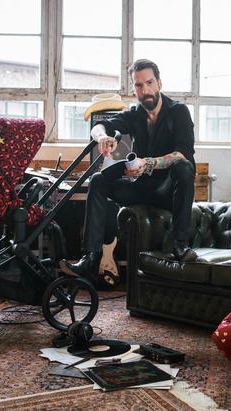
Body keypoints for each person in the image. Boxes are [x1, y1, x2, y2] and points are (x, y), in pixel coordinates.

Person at [62, 59, 197, 287]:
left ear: (159, 83)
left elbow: (183, 154)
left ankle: (179, 245)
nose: (145, 90)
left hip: (167, 191)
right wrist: (102, 137)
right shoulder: (134, 113)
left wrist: (148, 163)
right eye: (139, 85)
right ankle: (91, 257)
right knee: (98, 180)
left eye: (149, 83)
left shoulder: (179, 112)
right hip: (141, 187)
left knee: (185, 168)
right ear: (134, 89)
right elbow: (100, 126)